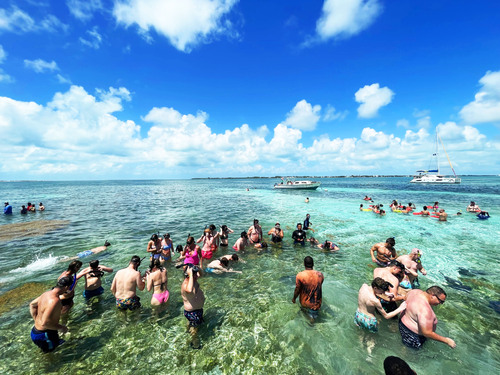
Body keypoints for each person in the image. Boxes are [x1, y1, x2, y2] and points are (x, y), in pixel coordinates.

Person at [29, 277, 72, 353]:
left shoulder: (46, 293)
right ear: (66, 287)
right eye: (69, 287)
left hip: (37, 332)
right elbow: (45, 323)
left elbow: (32, 304)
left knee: (52, 349)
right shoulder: (54, 301)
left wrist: (36, 320)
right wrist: (62, 327)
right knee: (50, 356)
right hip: (45, 335)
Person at [292, 256, 324, 321]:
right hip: (316, 304)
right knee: (313, 318)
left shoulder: (300, 275)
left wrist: (294, 298)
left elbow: (297, 289)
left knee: (307, 319)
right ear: (313, 264)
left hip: (305, 303)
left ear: (304, 264)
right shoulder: (320, 275)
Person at [181, 263, 205, 349]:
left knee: (194, 325)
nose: (196, 276)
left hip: (197, 309)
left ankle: (188, 330)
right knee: (195, 329)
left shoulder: (193, 279)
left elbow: (202, 274)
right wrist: (191, 275)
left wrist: (198, 268)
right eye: (194, 274)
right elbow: (189, 290)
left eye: (195, 274)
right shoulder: (186, 284)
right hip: (192, 312)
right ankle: (195, 343)